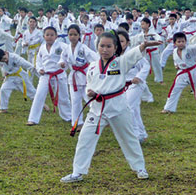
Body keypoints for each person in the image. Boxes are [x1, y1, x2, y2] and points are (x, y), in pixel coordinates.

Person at [61, 31, 161, 183]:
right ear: (97, 47)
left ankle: (139, 167)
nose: (105, 49)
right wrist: (90, 92)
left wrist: (143, 46)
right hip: (97, 108)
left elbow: (132, 55)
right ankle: (77, 172)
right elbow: (90, 83)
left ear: (115, 48)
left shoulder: (120, 62)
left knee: (129, 138)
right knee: (84, 139)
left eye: (109, 46)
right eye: (102, 46)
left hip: (118, 108)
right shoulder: (93, 66)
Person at [162, 33, 196, 114]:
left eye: (183, 41)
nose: (181, 43)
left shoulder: (190, 49)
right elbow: (175, 61)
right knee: (175, 90)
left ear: (185, 42)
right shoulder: (174, 51)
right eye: (179, 42)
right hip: (182, 73)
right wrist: (176, 65)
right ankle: (168, 108)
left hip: (194, 71)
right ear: (174, 43)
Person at [27, 26, 71, 126]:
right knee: (39, 96)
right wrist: (39, 69)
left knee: (63, 97)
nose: (49, 37)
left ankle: (68, 116)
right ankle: (33, 119)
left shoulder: (62, 46)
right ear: (44, 36)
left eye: (52, 35)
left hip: (59, 75)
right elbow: (38, 61)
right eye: (47, 35)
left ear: (56, 36)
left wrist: (65, 64)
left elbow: (69, 55)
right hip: (45, 76)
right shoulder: (42, 48)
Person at [59, 25, 98, 128]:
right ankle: (77, 122)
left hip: (85, 76)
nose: (72, 37)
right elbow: (62, 59)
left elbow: (95, 59)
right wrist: (63, 64)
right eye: (70, 34)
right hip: (74, 78)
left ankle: (100, 118)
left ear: (79, 35)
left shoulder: (83, 48)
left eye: (75, 34)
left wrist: (93, 70)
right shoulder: (66, 48)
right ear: (67, 35)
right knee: (75, 101)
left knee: (89, 100)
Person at [117, 30, 151, 143]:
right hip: (122, 86)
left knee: (128, 108)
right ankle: (142, 134)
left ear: (127, 42)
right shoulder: (115, 55)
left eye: (121, 41)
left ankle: (135, 135)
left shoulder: (134, 53)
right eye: (117, 41)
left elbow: (146, 66)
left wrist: (139, 77)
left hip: (135, 84)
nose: (119, 44)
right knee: (134, 110)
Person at [0, 48, 36, 113]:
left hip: (20, 76)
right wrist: (5, 72)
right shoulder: (0, 60)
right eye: (2, 60)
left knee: (31, 91)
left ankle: (42, 104)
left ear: (6, 52)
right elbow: (2, 67)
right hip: (10, 78)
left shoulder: (14, 57)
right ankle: (3, 108)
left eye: (4, 58)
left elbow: (25, 63)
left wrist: (34, 69)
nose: (4, 60)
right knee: (3, 89)